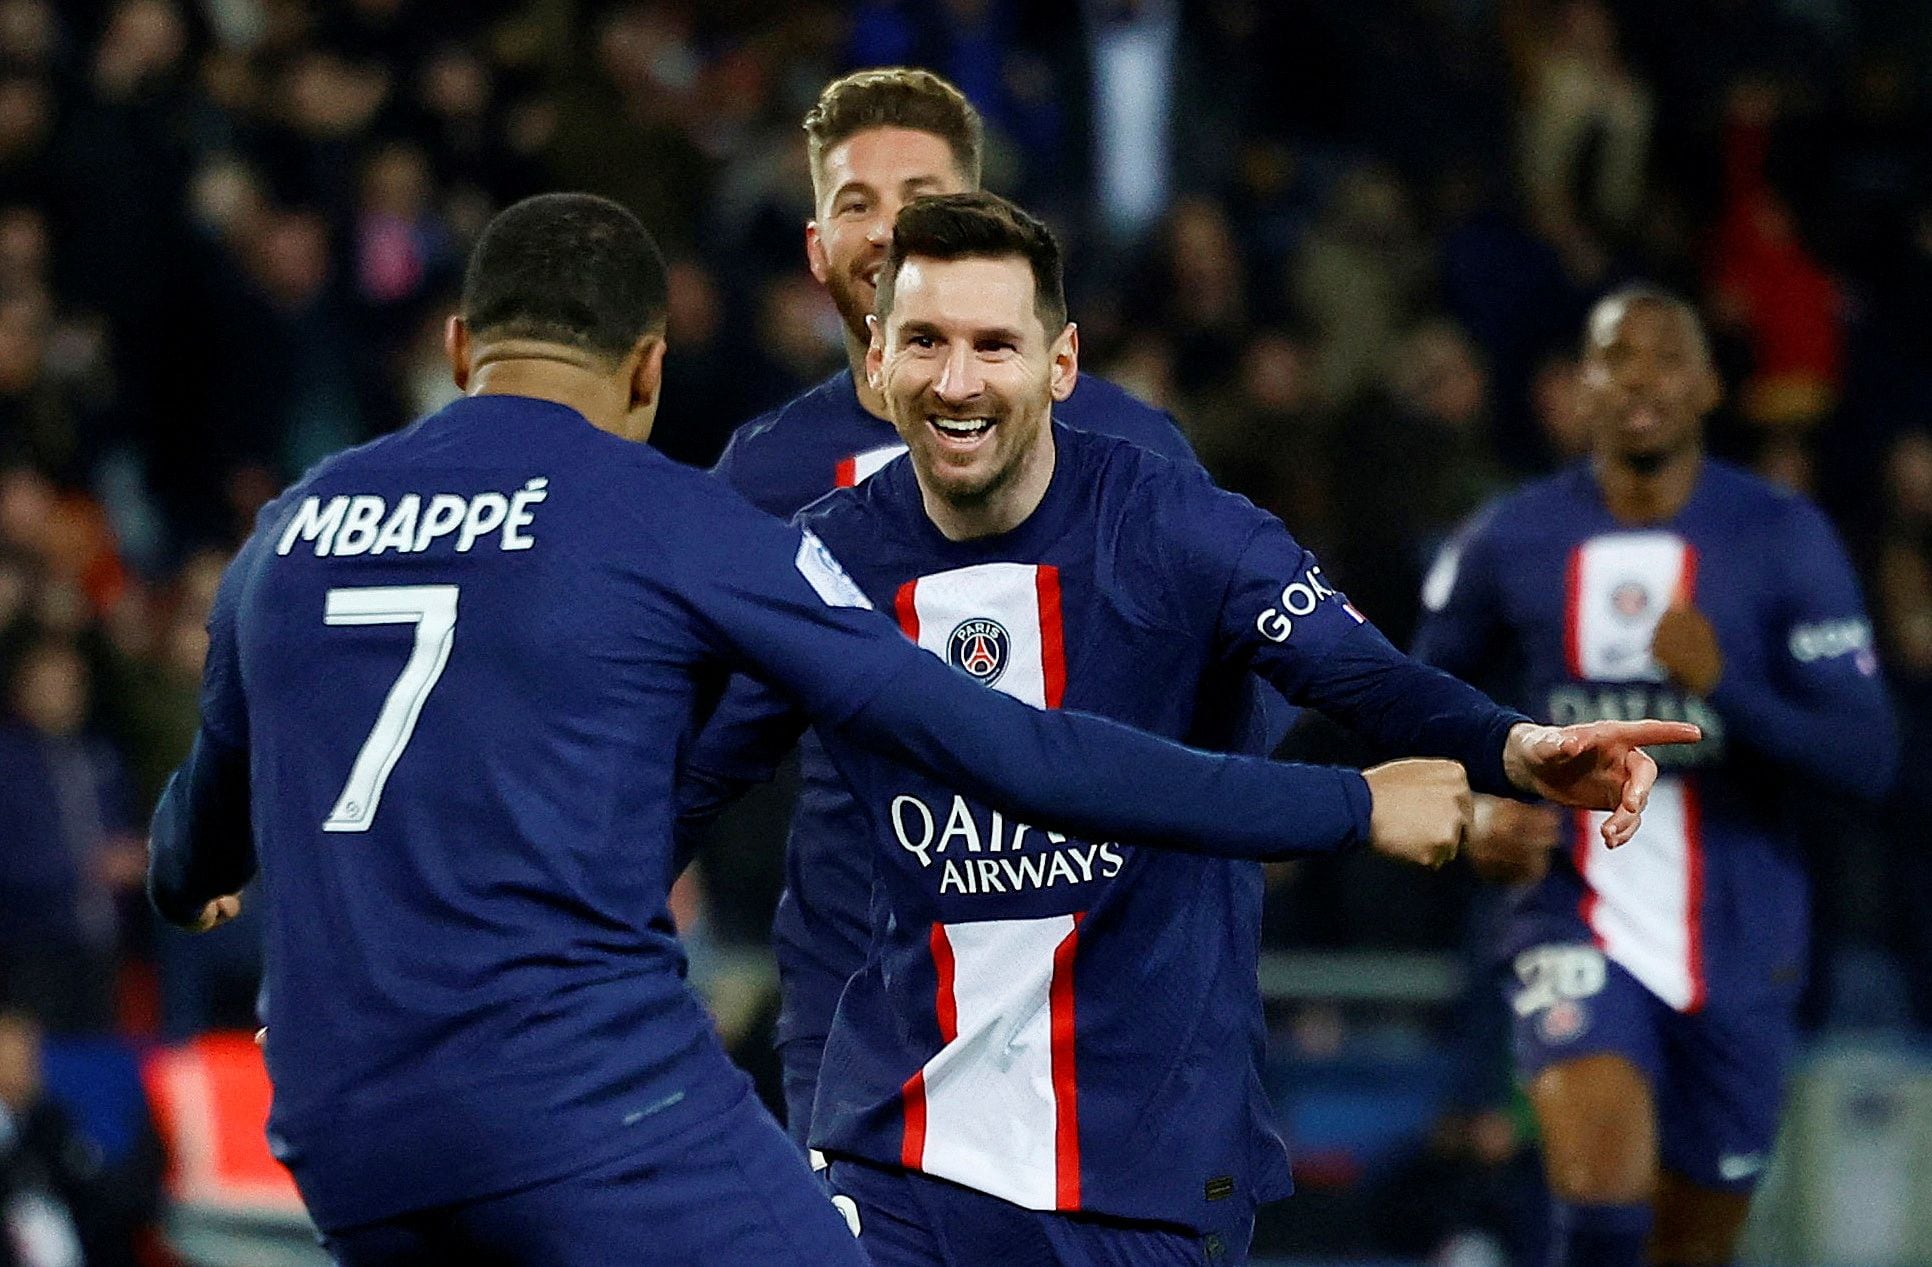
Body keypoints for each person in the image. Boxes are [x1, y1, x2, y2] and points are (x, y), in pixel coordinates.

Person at [143, 191, 1551, 1267]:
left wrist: (199, 867)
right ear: (646, 370)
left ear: (458, 348)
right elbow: (1012, 749)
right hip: (584, 1099)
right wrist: (1350, 806)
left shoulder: (294, 525)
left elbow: (189, 837)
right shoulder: (681, 517)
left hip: (341, 1125)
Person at [678, 193, 1700, 1266]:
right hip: (902, 1162)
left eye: (996, 345)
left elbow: (1360, 674)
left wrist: (1510, 746)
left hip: (1150, 1169)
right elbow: (687, 779)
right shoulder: (819, 566)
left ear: (1061, 364)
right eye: (927, 342)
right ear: (878, 358)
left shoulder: (1177, 527)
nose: (959, 381)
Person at [707, 66, 1250, 1149]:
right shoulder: (763, 479)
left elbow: (1246, 687)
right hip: (866, 1009)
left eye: (920, 193)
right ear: (817, 249)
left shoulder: (1134, 450)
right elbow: (676, 723)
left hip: (1107, 1006)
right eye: (854, 201)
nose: (887, 226)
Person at [1413, 286, 1898, 1267]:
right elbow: (1408, 701)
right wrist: (1472, 811)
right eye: (1614, 357)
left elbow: (1867, 758)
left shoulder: (1781, 536)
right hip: (1570, 904)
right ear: (1579, 388)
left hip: (1741, 926)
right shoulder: (1510, 539)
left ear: (1710, 384)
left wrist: (1733, 691)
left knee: (1691, 1243)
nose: (1640, 379)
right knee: (1603, 1197)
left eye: (1666, 357)